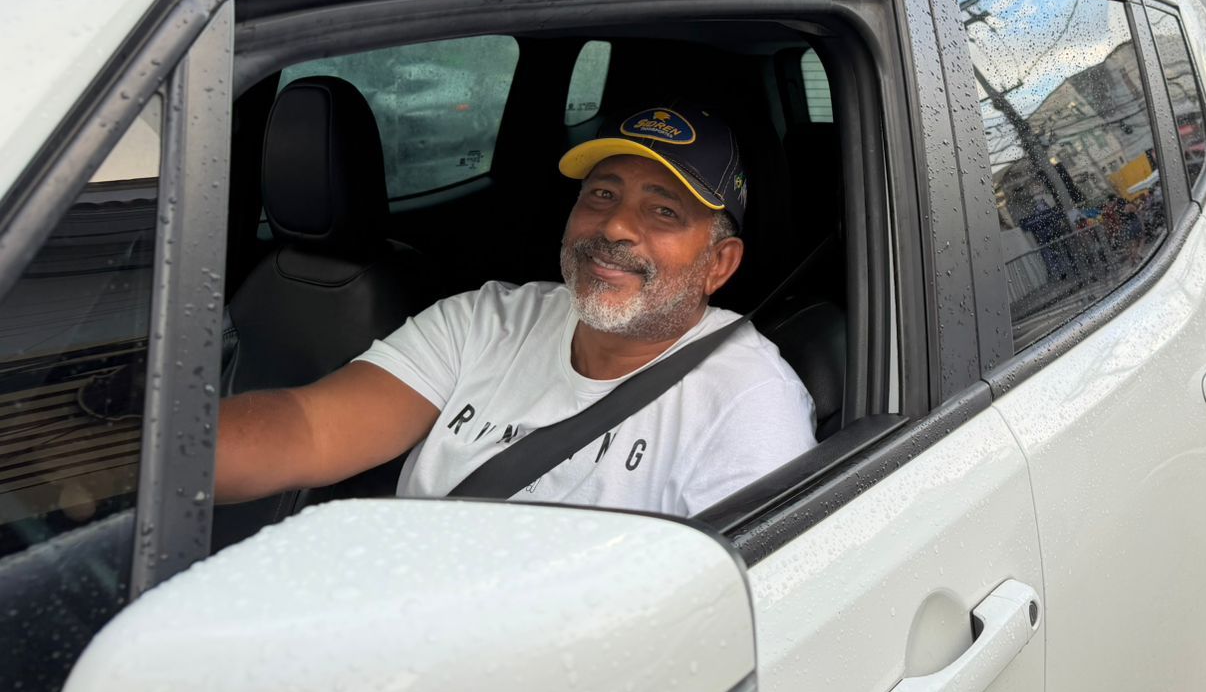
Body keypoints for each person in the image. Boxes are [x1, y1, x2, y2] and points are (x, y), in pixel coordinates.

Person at [215, 102, 819, 516]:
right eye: (601, 194)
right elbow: (310, 427)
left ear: (719, 264)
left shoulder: (749, 404)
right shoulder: (487, 320)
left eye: (663, 212)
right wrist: (173, 461)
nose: (614, 226)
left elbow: (741, 613)